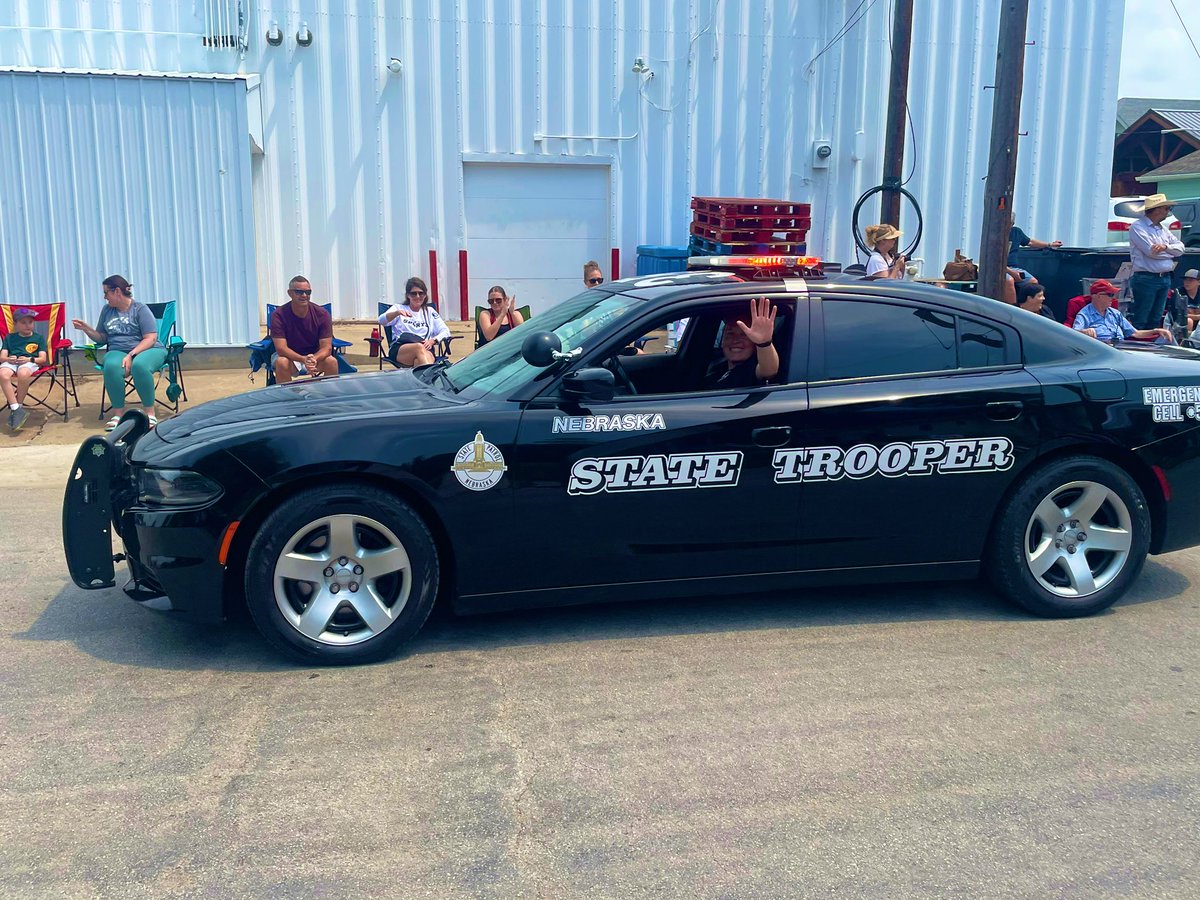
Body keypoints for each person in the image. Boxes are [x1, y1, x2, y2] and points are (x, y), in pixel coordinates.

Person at [71, 275, 166, 431]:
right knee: (112, 366)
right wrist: (87, 329)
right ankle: (118, 414)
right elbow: (102, 338)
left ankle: (150, 414)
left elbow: (150, 338)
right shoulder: (107, 310)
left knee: (140, 366)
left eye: (106, 292)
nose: (104, 297)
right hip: (118, 350)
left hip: (149, 349)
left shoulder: (140, 309)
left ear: (116, 291)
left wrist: (131, 355)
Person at [1129, 193, 1185, 329]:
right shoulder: (1138, 227)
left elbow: (1181, 248)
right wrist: (1171, 253)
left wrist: (1165, 247)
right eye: (1167, 208)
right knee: (1141, 318)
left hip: (1164, 278)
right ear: (1157, 209)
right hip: (1146, 278)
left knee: (1156, 318)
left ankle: (1151, 346)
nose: (1168, 212)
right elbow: (1151, 252)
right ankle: (1138, 346)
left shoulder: (1162, 229)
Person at [269, 275, 338, 383]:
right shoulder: (278, 315)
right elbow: (281, 348)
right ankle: (288, 398)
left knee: (331, 361)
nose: (304, 295)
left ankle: (328, 397)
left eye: (308, 292)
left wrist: (313, 359)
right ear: (290, 293)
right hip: (289, 356)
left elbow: (327, 347)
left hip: (314, 356)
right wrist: (303, 359)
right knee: (281, 362)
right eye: (299, 292)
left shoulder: (322, 314)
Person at [702, 298, 780, 389]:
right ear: (722, 339)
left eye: (744, 334)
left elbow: (769, 371)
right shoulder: (716, 367)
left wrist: (763, 342)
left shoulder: (751, 370)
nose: (735, 340)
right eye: (730, 334)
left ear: (754, 342)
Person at [378, 276, 451, 367]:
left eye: (421, 293)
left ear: (425, 295)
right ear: (408, 295)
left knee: (418, 362)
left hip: (426, 348)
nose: (417, 296)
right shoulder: (398, 308)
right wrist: (397, 313)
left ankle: (420, 380)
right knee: (419, 347)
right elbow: (381, 320)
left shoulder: (430, 311)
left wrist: (433, 341)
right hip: (401, 349)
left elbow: (446, 331)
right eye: (413, 294)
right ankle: (430, 380)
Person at [1073, 279, 1172, 343]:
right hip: (1101, 350)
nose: (1113, 298)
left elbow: (1135, 333)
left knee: (1165, 341)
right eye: (1110, 295)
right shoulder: (1085, 314)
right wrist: (1084, 332)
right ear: (1098, 296)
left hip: (1121, 349)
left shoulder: (1115, 313)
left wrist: (1156, 331)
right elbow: (1073, 334)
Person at [0, 307, 47, 431]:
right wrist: (8, 359)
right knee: (3, 374)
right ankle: (16, 408)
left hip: (29, 362)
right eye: (23, 322)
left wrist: (28, 360)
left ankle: (19, 405)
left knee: (23, 372)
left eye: (30, 322)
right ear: (15, 324)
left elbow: (43, 359)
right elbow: (2, 357)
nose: (28, 325)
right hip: (12, 361)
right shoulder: (9, 338)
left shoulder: (38, 338)